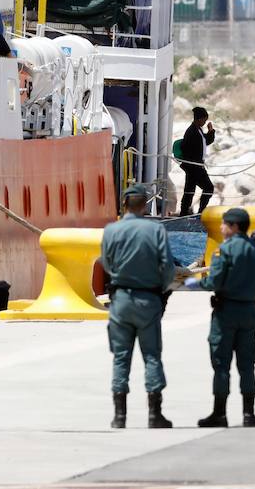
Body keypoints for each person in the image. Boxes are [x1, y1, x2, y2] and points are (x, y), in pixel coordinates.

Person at [185, 208, 255, 428]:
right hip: (250, 311)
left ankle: (219, 413)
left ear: (233, 226)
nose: (221, 228)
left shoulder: (225, 250)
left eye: (224, 224)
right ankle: (249, 414)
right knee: (247, 364)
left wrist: (192, 285)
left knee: (221, 364)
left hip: (226, 312)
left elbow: (214, 282)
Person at [100, 184, 175, 429]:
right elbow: (167, 267)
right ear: (145, 205)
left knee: (121, 358)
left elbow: (106, 263)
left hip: (121, 299)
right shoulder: (156, 230)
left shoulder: (111, 230)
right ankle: (155, 415)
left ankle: (118, 416)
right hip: (148, 299)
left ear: (124, 205)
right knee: (152, 356)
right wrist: (162, 290)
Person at [179, 107, 215, 216]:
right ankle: (200, 212)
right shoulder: (191, 131)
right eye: (204, 120)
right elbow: (185, 148)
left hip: (196, 166)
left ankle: (184, 213)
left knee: (189, 191)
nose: (204, 122)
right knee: (208, 188)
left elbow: (205, 142)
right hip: (194, 166)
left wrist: (211, 131)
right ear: (199, 119)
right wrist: (192, 163)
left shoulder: (198, 130)